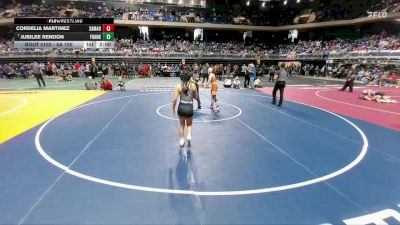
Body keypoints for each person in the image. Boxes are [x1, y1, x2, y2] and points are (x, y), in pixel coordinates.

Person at [172, 72, 198, 147]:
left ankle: (181, 140)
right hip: (189, 107)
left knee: (181, 125)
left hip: (181, 107)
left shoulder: (178, 86)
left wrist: (173, 108)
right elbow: (196, 97)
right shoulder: (193, 85)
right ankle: (189, 136)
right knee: (189, 124)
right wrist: (191, 94)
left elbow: (174, 99)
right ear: (189, 77)